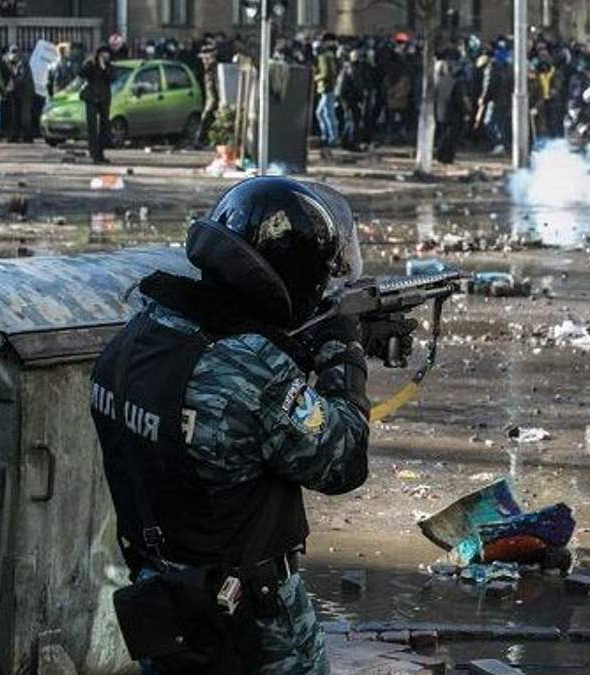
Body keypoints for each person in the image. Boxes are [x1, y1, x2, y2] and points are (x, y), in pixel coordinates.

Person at [91, 177, 393, 674]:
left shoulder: (134, 340)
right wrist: (344, 352)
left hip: (164, 604)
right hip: (253, 621)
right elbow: (344, 459)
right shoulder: (252, 372)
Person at [80, 45, 113, 163]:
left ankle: (100, 153)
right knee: (92, 126)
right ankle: (94, 153)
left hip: (103, 99)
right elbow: (82, 73)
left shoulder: (108, 66)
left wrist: (104, 67)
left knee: (104, 126)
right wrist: (88, 63)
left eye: (107, 54)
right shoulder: (91, 65)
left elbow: (110, 78)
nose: (105, 56)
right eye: (103, 54)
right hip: (91, 98)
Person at [313, 39, 340, 147]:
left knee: (328, 114)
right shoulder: (329, 57)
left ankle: (333, 138)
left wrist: (315, 77)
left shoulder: (323, 58)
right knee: (321, 113)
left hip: (327, 88)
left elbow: (326, 73)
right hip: (328, 88)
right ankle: (326, 136)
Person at [5, 44, 34, 143]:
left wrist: (11, 86)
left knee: (24, 116)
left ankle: (27, 136)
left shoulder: (23, 63)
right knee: (16, 115)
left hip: (25, 92)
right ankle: (15, 136)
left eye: (14, 53)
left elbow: (21, 78)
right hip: (17, 92)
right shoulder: (14, 63)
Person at [195, 45, 219, 148]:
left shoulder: (214, 70)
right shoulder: (208, 70)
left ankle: (200, 141)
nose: (204, 61)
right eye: (203, 59)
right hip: (210, 100)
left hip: (213, 101)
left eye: (206, 58)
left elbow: (216, 87)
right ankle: (202, 141)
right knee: (206, 120)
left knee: (206, 119)